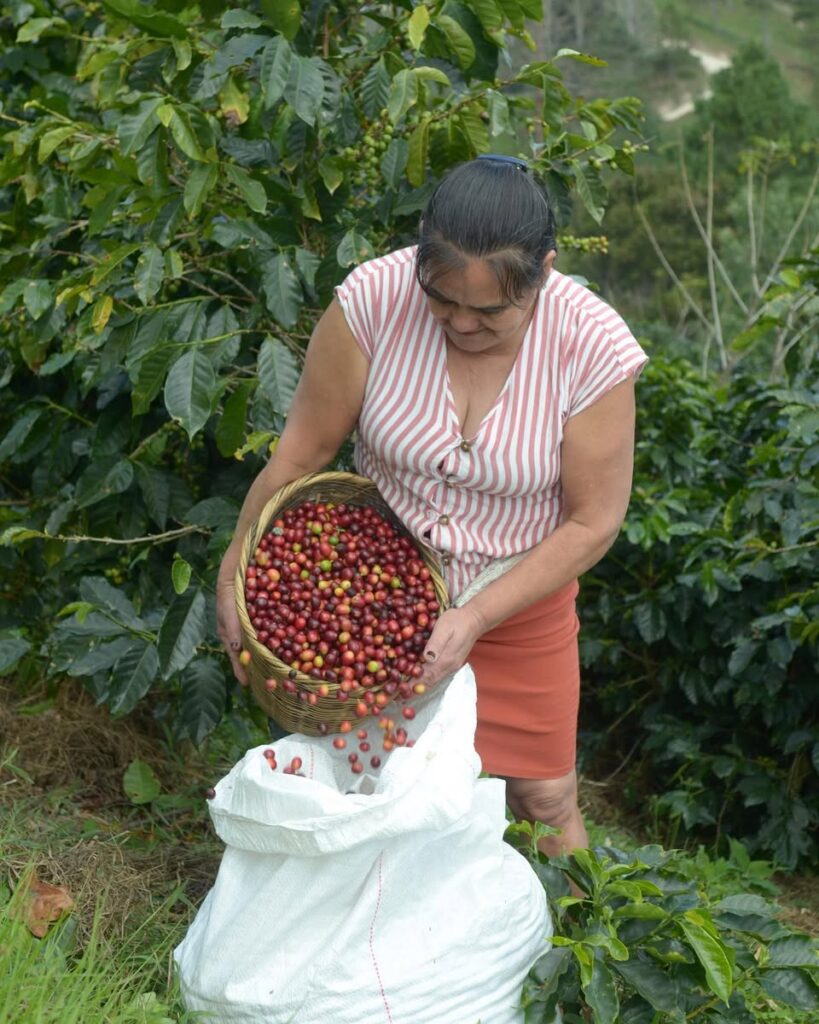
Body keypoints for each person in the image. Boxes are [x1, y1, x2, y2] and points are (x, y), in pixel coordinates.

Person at [216, 155, 648, 857]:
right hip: (371, 592)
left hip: (515, 596)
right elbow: (300, 454)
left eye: (489, 311)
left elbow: (592, 522)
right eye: (442, 298)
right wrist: (234, 567)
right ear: (419, 255)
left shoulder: (590, 347)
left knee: (542, 796)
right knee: (358, 782)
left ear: (544, 269)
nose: (460, 322)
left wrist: (474, 615)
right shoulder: (372, 302)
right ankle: (359, 947)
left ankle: (573, 948)